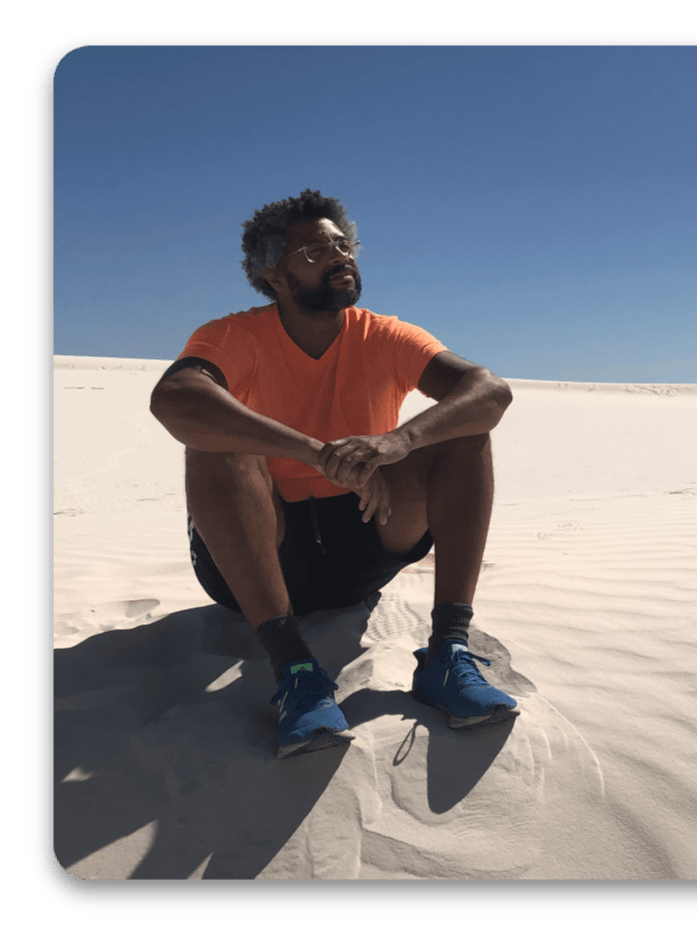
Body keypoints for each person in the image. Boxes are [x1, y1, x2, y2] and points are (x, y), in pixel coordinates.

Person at [149, 190, 519, 758]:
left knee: (466, 431)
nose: (340, 255)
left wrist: (399, 440)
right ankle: (295, 671)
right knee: (213, 445)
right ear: (272, 274)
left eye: (344, 244)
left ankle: (447, 652)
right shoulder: (234, 336)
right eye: (315, 250)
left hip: (362, 545)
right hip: (257, 559)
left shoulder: (385, 335)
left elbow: (489, 391)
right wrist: (315, 453)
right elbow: (174, 398)